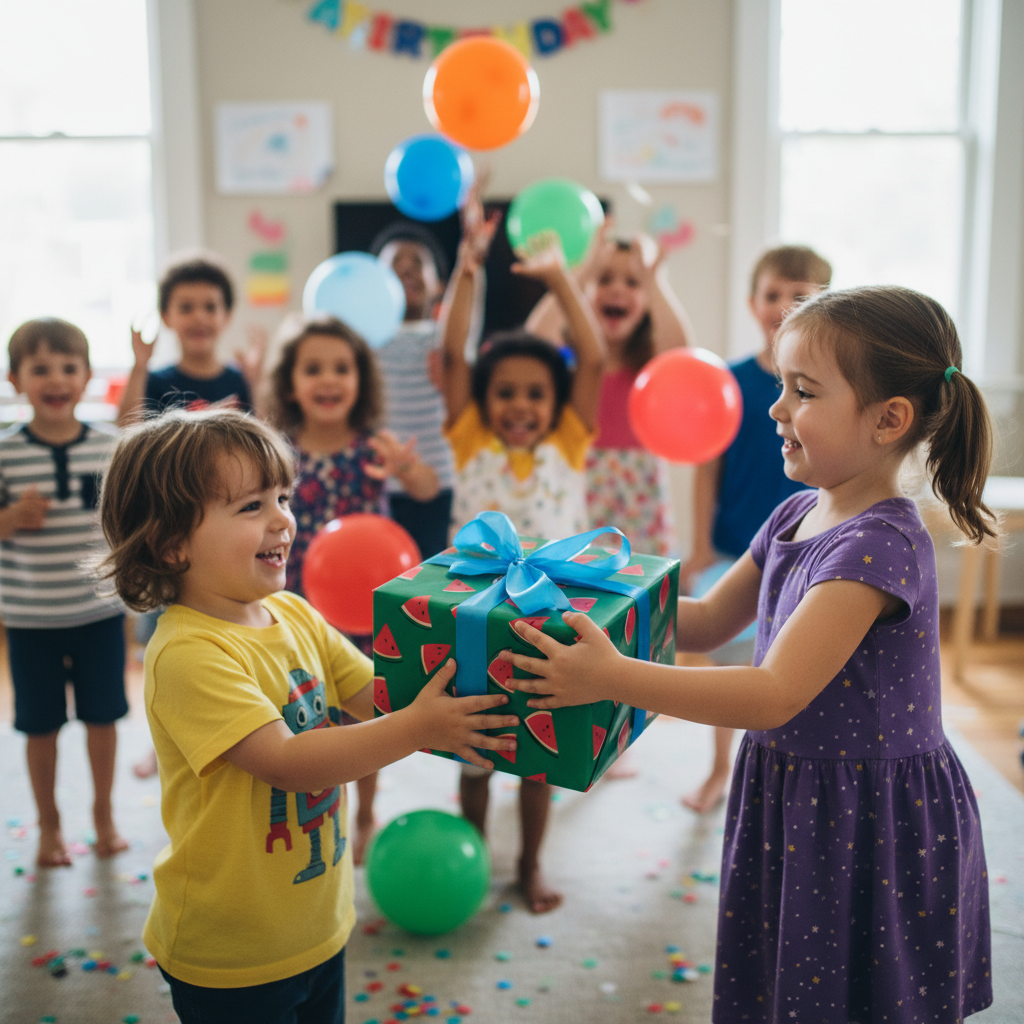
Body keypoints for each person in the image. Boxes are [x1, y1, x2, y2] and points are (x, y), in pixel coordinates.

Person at [499, 285, 995, 1024]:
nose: (774, 409)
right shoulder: (794, 511)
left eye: (803, 391)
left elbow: (771, 694)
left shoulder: (881, 544)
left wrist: (611, 677)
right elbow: (698, 623)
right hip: (794, 790)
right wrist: (581, 599)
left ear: (888, 419)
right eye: (779, 386)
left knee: (865, 993)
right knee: (792, 979)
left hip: (865, 814)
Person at [98, 408, 516, 1024]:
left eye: (283, 497)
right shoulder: (186, 654)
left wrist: (473, 679)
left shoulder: (294, 613)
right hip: (231, 953)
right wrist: (420, 727)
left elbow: (378, 696)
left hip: (318, 923)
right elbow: (286, 763)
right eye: (251, 507)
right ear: (172, 543)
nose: (284, 520)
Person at [440, 202, 604, 913]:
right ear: (483, 400)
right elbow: (450, 356)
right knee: (474, 754)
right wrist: (466, 273)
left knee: (536, 759)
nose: (520, 405)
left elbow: (592, 357)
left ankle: (530, 866)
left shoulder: (567, 442)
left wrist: (560, 281)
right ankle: (471, 861)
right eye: (505, 392)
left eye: (535, 394)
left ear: (555, 403)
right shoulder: (469, 438)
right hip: (475, 615)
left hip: (547, 621)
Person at [266, 313, 438, 864]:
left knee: (367, 711)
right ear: (291, 383)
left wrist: (409, 471)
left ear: (361, 379)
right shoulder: (279, 452)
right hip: (298, 601)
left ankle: (364, 809)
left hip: (366, 607)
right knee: (307, 707)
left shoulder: (373, 447)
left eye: (342, 368)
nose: (328, 379)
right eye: (313, 368)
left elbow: (429, 489)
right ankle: (317, 806)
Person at [678, 244, 832, 812]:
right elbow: (706, 468)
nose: (783, 306)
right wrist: (698, 547)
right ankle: (722, 767)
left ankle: (785, 764)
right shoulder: (732, 381)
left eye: (800, 295)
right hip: (735, 544)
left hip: (811, 550)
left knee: (789, 665)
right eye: (772, 295)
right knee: (729, 662)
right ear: (752, 302)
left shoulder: (829, 390)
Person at [0, 318, 129, 867]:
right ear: (15, 380)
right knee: (41, 725)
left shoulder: (109, 445)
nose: (56, 379)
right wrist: (11, 517)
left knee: (104, 718)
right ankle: (49, 824)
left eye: (68, 367)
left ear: (88, 377)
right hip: (30, 618)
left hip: (99, 612)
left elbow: (131, 513)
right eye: (41, 368)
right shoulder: (6, 452)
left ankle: (103, 814)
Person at [527, 226, 694, 556]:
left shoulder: (651, 365)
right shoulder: (569, 362)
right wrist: (582, 272)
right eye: (604, 280)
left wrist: (653, 280)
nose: (617, 289)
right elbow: (536, 338)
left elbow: (681, 349)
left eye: (631, 283)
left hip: (640, 500)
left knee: (641, 588)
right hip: (577, 493)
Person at [370, 221, 470, 559]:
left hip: (437, 484)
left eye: (417, 263)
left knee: (431, 576)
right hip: (380, 485)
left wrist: (470, 267)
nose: (406, 269)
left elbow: (466, 318)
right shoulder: (365, 342)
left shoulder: (441, 341)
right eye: (394, 264)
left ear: (439, 285)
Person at [117, 253, 261, 425]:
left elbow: (265, 436)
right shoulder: (155, 382)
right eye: (186, 308)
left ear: (227, 316)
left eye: (210, 307)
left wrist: (256, 383)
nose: (199, 317)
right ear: (165, 316)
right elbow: (125, 431)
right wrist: (139, 367)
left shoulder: (241, 380)